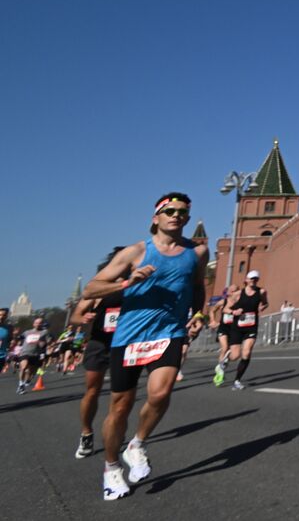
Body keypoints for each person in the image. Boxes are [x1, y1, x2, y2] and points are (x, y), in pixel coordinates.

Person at [81, 192, 206, 501]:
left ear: (187, 219)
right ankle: (111, 467)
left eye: (182, 212)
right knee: (121, 406)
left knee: (161, 393)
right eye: (169, 211)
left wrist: (199, 313)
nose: (176, 215)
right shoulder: (135, 252)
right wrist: (127, 283)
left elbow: (198, 286)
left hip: (169, 332)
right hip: (130, 337)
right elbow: (91, 288)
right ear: (156, 217)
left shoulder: (198, 252)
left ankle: (137, 444)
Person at [73, 248, 126, 458]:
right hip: (100, 343)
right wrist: (83, 319)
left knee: (120, 395)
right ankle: (86, 431)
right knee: (92, 390)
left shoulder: (136, 284)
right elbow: (76, 316)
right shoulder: (100, 285)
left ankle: (114, 432)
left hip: (124, 343)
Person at [214, 272, 268, 390]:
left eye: (256, 279)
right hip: (237, 327)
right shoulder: (238, 294)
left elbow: (265, 303)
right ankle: (225, 361)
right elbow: (226, 309)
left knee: (247, 352)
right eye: (251, 279)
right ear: (246, 280)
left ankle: (237, 380)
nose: (254, 281)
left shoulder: (261, 292)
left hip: (251, 326)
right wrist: (233, 312)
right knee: (235, 356)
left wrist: (262, 307)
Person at [15, 317, 49, 393]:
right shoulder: (27, 332)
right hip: (25, 352)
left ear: (42, 324)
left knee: (32, 371)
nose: (38, 324)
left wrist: (44, 344)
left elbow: (48, 341)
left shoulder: (44, 332)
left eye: (40, 323)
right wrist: (16, 335)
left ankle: (26, 381)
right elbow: (19, 338)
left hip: (36, 354)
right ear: (33, 324)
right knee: (24, 367)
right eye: (36, 323)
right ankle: (21, 385)